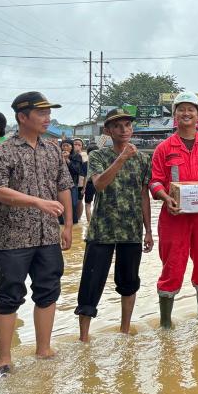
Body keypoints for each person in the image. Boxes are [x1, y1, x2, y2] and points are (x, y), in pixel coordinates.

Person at [0, 92, 73, 382]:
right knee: (8, 295)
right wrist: (37, 202)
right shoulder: (2, 151)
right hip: (11, 237)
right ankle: (3, 358)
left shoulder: (52, 149)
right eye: (41, 113)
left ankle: (44, 349)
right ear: (22, 117)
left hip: (47, 236)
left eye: (48, 112)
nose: (47, 117)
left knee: (48, 289)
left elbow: (63, 185)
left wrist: (66, 226)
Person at [149, 92, 198, 328]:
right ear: (174, 115)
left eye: (190, 109)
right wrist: (166, 198)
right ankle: (166, 326)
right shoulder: (164, 148)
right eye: (181, 109)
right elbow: (155, 181)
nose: (186, 113)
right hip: (174, 217)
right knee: (172, 266)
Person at [75, 109, 152, 342]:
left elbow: (143, 195)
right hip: (102, 230)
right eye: (118, 126)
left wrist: (148, 230)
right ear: (108, 131)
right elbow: (99, 185)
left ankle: (125, 331)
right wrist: (121, 158)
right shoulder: (98, 155)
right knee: (91, 282)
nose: (124, 130)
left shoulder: (143, 159)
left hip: (131, 230)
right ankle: (84, 338)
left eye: (128, 125)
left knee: (129, 282)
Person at [60, 139, 84, 225]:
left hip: (73, 184)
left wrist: (67, 159)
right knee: (61, 204)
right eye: (63, 146)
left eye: (67, 146)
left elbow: (77, 170)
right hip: (60, 184)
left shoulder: (77, 156)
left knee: (73, 203)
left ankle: (73, 224)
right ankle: (61, 223)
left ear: (71, 147)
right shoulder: (58, 155)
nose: (65, 148)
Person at [72, 138, 87, 223]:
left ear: (82, 147)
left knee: (79, 201)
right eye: (75, 144)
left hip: (80, 183)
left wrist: (84, 187)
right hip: (70, 182)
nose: (76, 146)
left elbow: (85, 171)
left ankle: (79, 219)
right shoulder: (68, 155)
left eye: (79, 144)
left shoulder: (84, 155)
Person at [83, 143, 98, 221]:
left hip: (89, 184)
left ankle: (89, 223)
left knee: (87, 204)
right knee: (98, 204)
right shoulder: (101, 163)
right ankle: (96, 221)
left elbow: (85, 177)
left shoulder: (86, 163)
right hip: (99, 184)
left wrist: (83, 188)